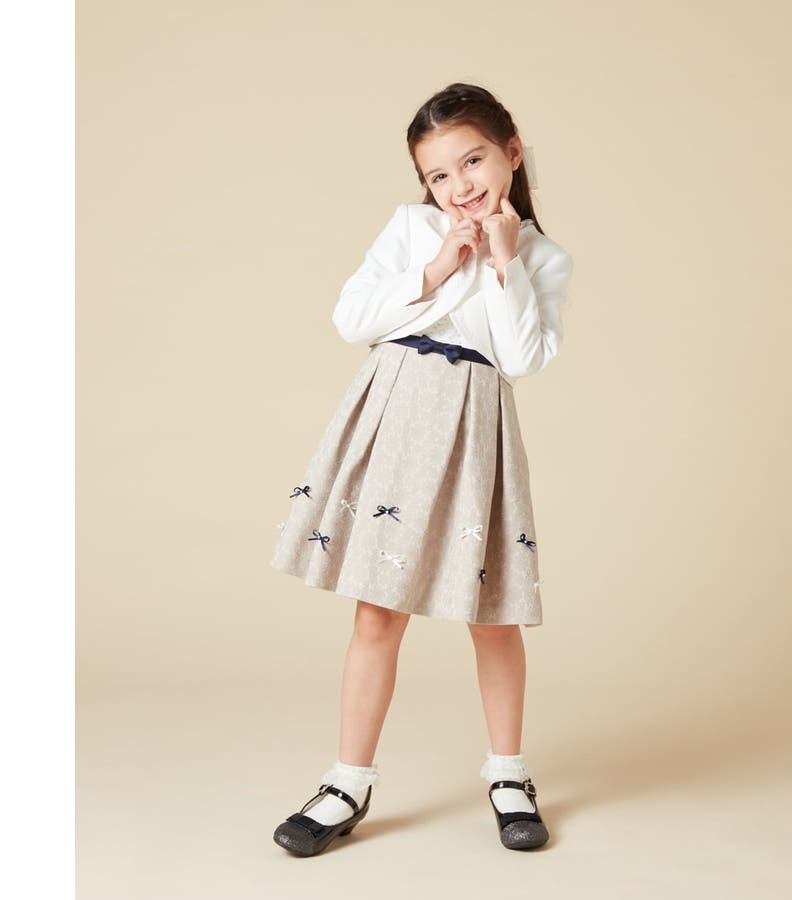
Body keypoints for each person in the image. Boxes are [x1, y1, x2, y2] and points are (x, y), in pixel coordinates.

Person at [270, 82, 574, 856]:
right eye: (438, 174)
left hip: (475, 429)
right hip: (395, 416)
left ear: (511, 152)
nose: (459, 185)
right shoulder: (412, 229)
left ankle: (509, 774)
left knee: (493, 614)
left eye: (472, 160)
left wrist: (502, 262)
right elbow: (352, 320)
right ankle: (348, 782)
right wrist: (440, 267)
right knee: (377, 610)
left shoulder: (543, 258)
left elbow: (521, 358)